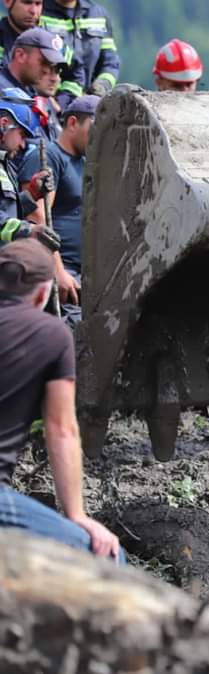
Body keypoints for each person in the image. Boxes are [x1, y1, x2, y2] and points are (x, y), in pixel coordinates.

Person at [0, 239, 123, 561]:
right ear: (43, 294)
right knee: (107, 558)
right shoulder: (50, 334)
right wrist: (77, 515)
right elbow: (61, 429)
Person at [18, 93, 94, 326]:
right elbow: (38, 217)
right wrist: (58, 271)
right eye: (94, 129)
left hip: (85, 272)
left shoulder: (85, 162)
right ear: (72, 123)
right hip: (63, 272)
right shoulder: (49, 157)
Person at [0, 90, 57, 247]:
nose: (22, 144)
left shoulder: (5, 164)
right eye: (22, 134)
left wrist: (31, 194)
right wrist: (26, 230)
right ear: (4, 125)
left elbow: (8, 213)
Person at [40, 0, 119, 105]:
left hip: (90, 106)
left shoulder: (98, 15)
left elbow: (110, 63)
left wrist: (100, 87)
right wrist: (58, 103)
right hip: (54, 104)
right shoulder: (38, 12)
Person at [0, 28, 67, 99]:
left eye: (50, 64)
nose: (46, 70)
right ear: (20, 55)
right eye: (44, 62)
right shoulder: (3, 93)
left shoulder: (32, 95)